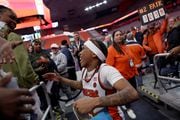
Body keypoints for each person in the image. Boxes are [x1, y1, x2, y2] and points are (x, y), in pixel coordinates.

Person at [43, 39, 139, 120]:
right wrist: (61, 79)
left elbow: (132, 93)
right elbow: (82, 85)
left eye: (83, 49)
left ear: (94, 54)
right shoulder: (85, 70)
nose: (80, 53)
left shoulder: (106, 70)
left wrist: (95, 102)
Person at [106, 30, 138, 119]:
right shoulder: (111, 50)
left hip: (131, 74)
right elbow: (109, 66)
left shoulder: (126, 46)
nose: (119, 36)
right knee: (127, 94)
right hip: (121, 78)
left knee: (134, 91)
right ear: (113, 38)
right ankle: (128, 109)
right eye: (117, 35)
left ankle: (125, 103)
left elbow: (131, 59)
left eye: (120, 34)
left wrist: (135, 71)